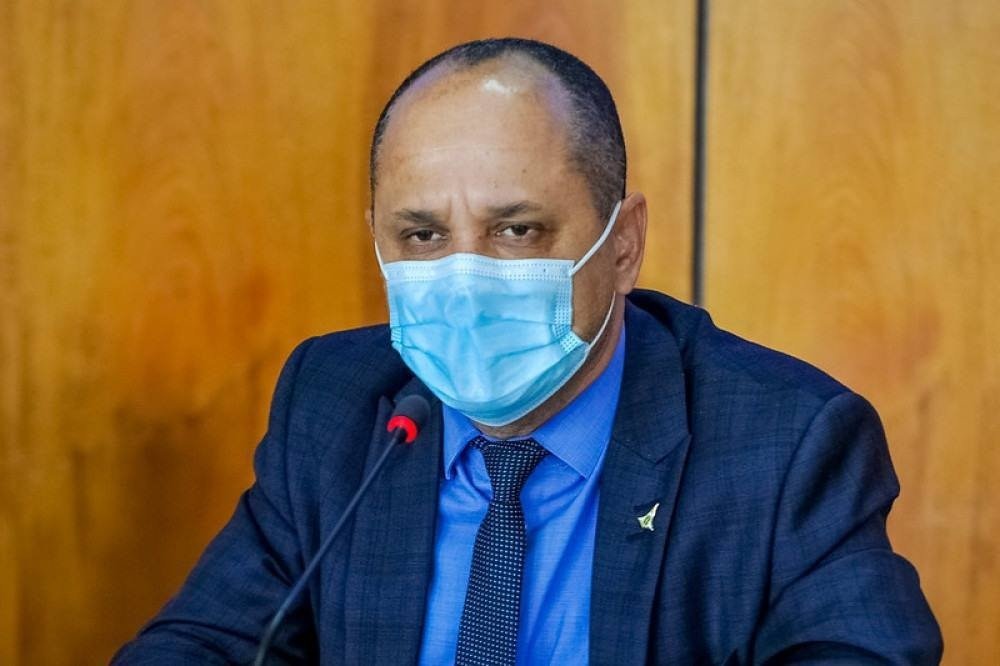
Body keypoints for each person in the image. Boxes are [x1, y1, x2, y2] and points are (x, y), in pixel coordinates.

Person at [113, 38, 942, 665]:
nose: (463, 277)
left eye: (516, 230)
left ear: (623, 244)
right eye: (422, 235)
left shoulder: (783, 443)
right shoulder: (336, 402)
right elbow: (206, 643)